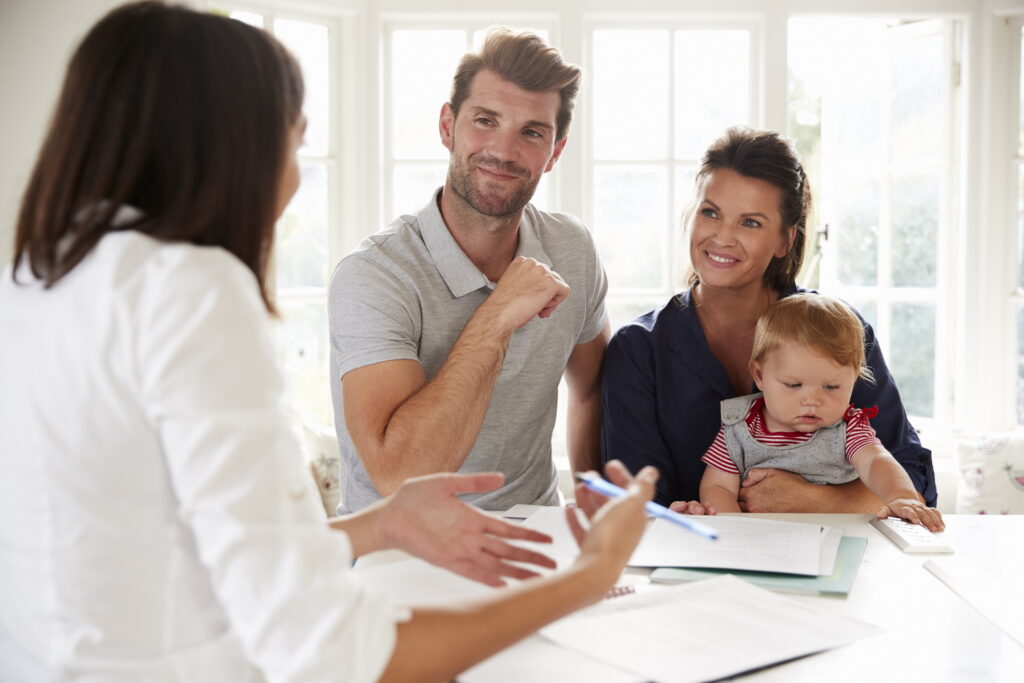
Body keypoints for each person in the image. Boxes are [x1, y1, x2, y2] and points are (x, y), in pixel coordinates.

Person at [0, 4, 655, 681]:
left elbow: (202, 544)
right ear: (227, 140)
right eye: (294, 134)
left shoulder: (35, 279)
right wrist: (590, 575)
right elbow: (332, 651)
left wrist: (377, 524)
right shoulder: (194, 291)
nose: (294, 166)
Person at [329, 27, 609, 513]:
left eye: (532, 132)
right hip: (401, 555)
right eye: (485, 120)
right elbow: (400, 473)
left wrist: (590, 503)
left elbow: (593, 391)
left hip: (537, 540)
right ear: (447, 126)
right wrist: (499, 314)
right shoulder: (374, 275)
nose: (503, 150)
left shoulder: (572, 248)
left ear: (555, 152)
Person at [601, 126, 936, 512]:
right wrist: (683, 516)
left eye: (751, 222)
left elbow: (915, 483)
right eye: (710, 213)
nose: (722, 237)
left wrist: (816, 500)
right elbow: (637, 501)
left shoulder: (841, 331)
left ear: (785, 241)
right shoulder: (638, 350)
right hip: (698, 562)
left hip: (833, 562)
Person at [699, 293, 944, 530]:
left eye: (831, 387)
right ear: (760, 376)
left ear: (853, 380)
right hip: (763, 543)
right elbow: (717, 487)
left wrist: (900, 496)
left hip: (836, 538)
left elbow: (875, 462)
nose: (812, 401)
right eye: (793, 385)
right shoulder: (739, 427)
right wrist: (734, 527)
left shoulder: (849, 429)